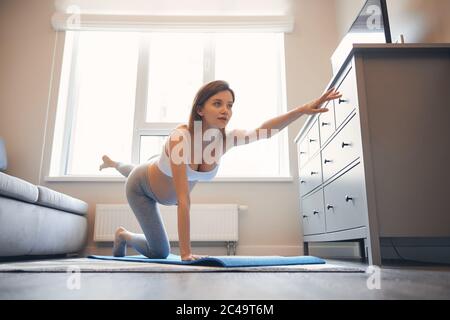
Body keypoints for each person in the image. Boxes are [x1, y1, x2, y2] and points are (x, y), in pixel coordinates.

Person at [99, 80, 341, 261]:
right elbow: (183, 199)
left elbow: (265, 131)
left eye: (230, 105)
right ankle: (124, 235)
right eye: (218, 103)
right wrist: (185, 253)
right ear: (200, 109)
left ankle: (113, 163)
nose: (226, 110)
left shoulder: (227, 139)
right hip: (142, 188)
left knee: (147, 167)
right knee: (160, 252)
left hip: (159, 171)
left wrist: (301, 109)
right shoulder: (180, 139)